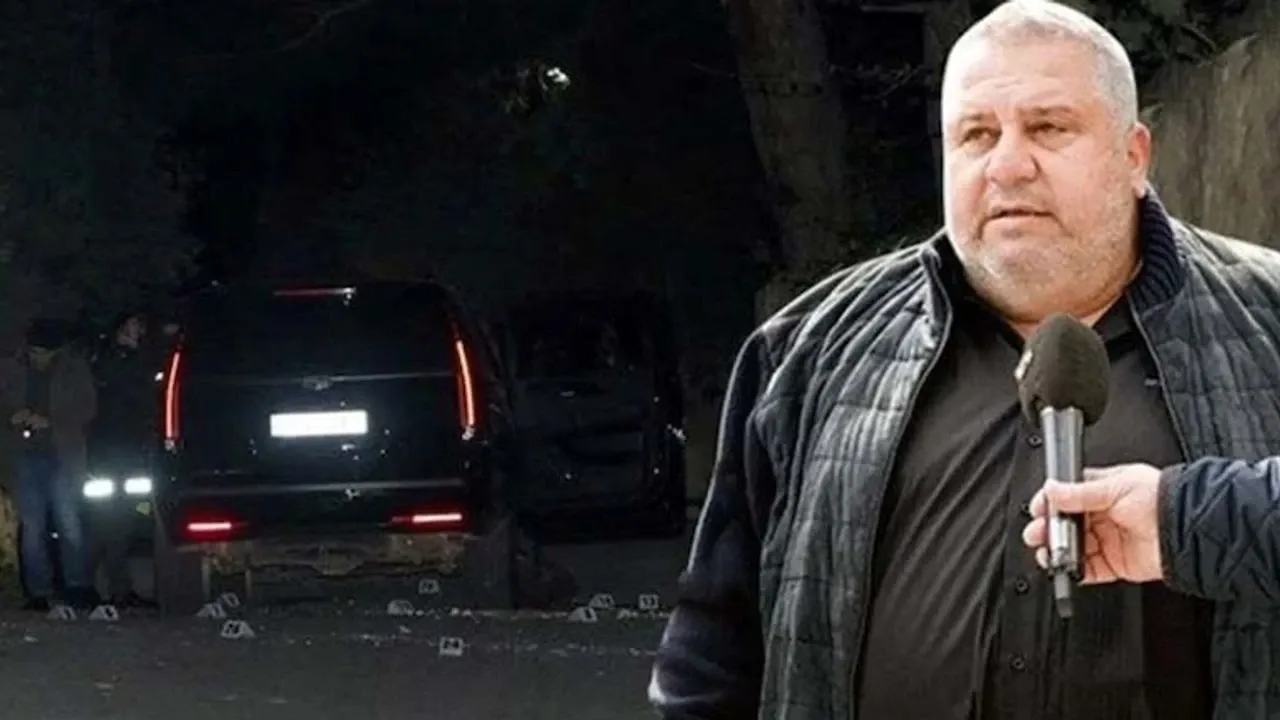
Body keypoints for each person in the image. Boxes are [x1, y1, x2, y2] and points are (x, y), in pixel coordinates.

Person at [649, 1, 1280, 719]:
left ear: (1134, 156)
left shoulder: (1267, 324)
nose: (1008, 165)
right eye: (976, 135)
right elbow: (712, 659)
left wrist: (1200, 520)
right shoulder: (807, 350)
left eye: (1048, 127)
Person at [0, 319, 99, 611]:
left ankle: (78, 585)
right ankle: (38, 592)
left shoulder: (74, 369)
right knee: (32, 526)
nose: (38, 358)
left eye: (43, 352)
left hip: (63, 454)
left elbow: (87, 408)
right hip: (23, 455)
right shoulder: (11, 369)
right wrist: (11, 417)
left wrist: (52, 421)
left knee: (69, 521)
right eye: (34, 351)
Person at [88, 311, 162, 607]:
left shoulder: (136, 357)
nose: (139, 330)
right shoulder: (110, 360)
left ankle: (117, 587)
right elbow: (130, 395)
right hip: (111, 449)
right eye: (133, 325)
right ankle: (106, 588)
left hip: (131, 447)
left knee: (127, 519)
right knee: (111, 521)